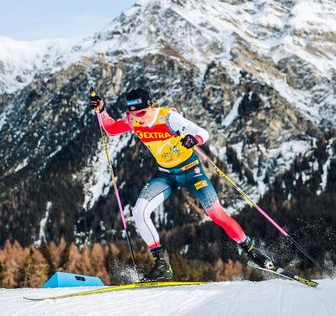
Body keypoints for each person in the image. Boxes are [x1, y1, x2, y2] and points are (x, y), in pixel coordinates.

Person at [90, 88, 272, 282]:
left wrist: (194, 139)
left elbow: (202, 132)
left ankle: (251, 250)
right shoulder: (133, 121)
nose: (138, 118)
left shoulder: (168, 117)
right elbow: (110, 129)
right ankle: (161, 264)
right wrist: (101, 111)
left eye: (141, 112)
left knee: (216, 214)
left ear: (151, 105)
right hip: (166, 175)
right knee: (139, 211)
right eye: (133, 113)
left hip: (191, 171)